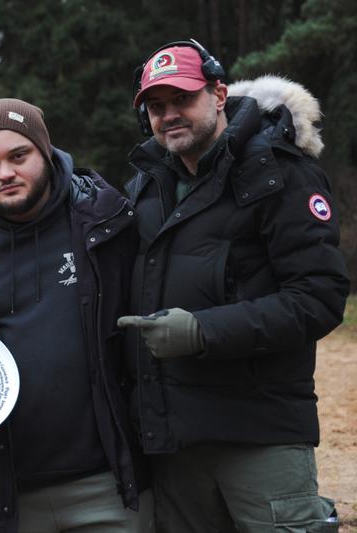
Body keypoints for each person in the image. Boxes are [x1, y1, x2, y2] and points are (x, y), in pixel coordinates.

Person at [117, 40, 349, 532]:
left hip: (260, 436)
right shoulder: (145, 188)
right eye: (156, 107)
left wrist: (204, 331)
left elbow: (319, 296)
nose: (169, 115)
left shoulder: (281, 172)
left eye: (183, 99)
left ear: (218, 93)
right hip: (174, 445)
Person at [0, 98, 153, 533]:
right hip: (6, 494)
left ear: (46, 151)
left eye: (18, 156)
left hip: (110, 485)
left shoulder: (107, 220)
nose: (5, 173)